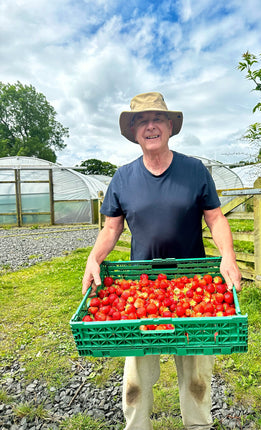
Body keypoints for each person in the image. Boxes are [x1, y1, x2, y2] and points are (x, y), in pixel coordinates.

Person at [82, 92, 242, 430]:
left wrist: (227, 255)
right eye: (141, 120)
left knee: (197, 375)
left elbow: (215, 218)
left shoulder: (194, 170)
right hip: (141, 289)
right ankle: (136, 426)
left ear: (170, 126)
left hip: (192, 285)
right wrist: (93, 259)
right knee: (135, 379)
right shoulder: (123, 177)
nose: (150, 126)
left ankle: (198, 426)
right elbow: (111, 227)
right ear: (134, 131)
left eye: (157, 119)